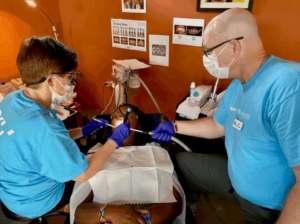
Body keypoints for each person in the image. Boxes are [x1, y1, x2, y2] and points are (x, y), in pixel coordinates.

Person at [151, 8, 300, 224]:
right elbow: (217, 125)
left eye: (209, 51)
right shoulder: (239, 84)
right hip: (235, 177)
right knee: (176, 162)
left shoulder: (287, 85)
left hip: (267, 207)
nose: (207, 59)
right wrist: (174, 126)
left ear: (234, 47)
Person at [0, 36, 130, 222]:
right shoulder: (43, 127)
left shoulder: (15, 99)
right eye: (69, 78)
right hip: (34, 201)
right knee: (99, 181)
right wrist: (113, 142)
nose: (72, 84)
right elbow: (83, 174)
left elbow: (40, 142)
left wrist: (83, 130)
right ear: (51, 80)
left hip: (11, 191)